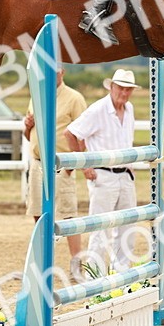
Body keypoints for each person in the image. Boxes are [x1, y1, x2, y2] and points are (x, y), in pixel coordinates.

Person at [65, 68, 139, 276]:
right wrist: (85, 165)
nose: (124, 93)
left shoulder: (129, 109)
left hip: (125, 174)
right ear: (112, 87)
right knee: (101, 229)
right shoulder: (98, 110)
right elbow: (70, 132)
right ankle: (94, 278)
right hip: (103, 175)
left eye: (128, 89)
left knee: (127, 228)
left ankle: (121, 276)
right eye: (121, 88)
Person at [23, 67, 88, 279]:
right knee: (37, 213)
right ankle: (43, 263)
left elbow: (83, 133)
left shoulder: (74, 98)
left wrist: (73, 163)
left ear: (63, 71)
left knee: (68, 213)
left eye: (56, 69)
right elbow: (28, 134)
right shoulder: (37, 95)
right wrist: (28, 126)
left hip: (61, 163)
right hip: (37, 161)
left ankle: (76, 264)